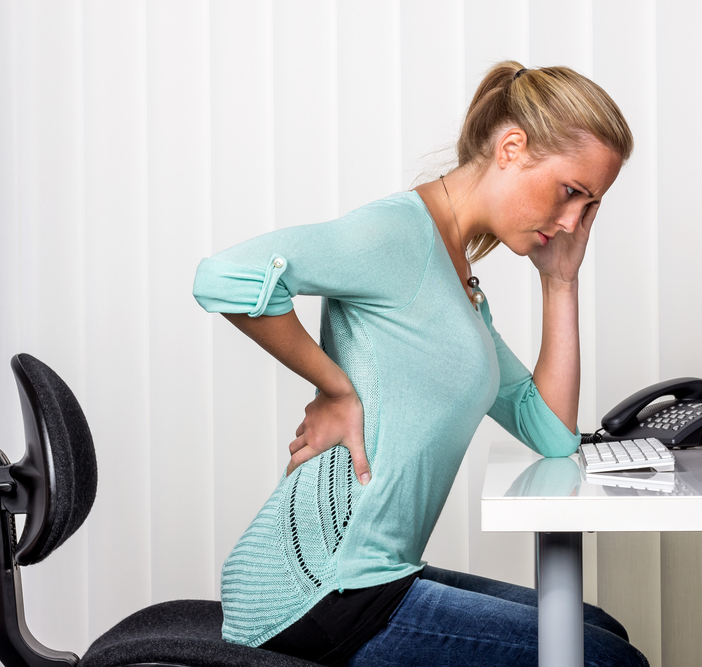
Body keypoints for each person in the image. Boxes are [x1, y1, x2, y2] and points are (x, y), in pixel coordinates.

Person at [193, 61, 646, 667]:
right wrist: (335, 388)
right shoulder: (398, 236)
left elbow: (552, 433)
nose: (571, 223)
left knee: (597, 629)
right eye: (570, 192)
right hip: (321, 592)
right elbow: (224, 276)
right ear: (512, 147)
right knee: (602, 660)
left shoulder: (457, 278)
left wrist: (560, 283)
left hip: (376, 576)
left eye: (590, 206)